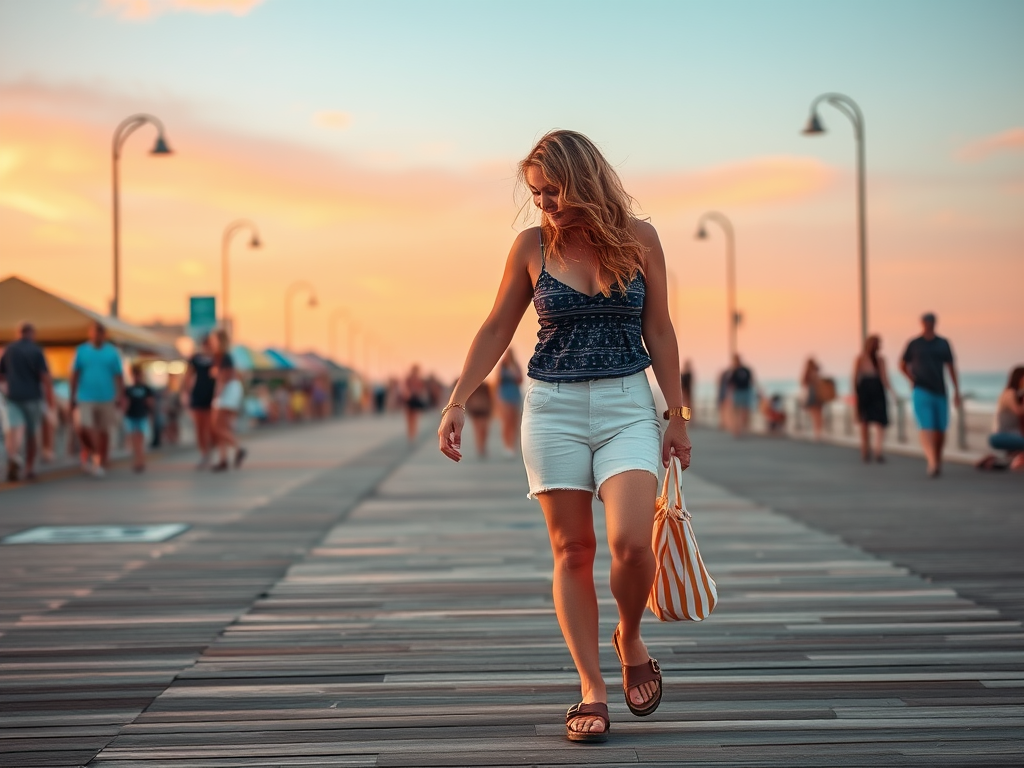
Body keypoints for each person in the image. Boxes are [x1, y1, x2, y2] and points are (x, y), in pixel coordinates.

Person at [437, 130, 690, 743]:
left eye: (551, 191)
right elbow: (498, 325)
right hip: (552, 409)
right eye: (536, 194)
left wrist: (677, 414)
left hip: (629, 402)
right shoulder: (531, 247)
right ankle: (592, 688)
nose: (543, 205)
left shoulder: (641, 239)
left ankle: (629, 635)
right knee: (573, 550)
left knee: (632, 544)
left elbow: (659, 329)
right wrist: (458, 399)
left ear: (583, 181)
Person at [899, 312, 961, 477]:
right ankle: (932, 462)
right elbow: (902, 364)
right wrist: (911, 379)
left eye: (932, 322)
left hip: (940, 390)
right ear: (922, 323)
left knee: (940, 429)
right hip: (921, 389)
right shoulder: (914, 344)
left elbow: (951, 367)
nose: (929, 325)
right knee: (926, 426)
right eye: (927, 322)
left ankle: (937, 458)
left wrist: (957, 391)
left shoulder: (943, 343)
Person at [0, 322, 55, 481]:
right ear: (32, 333)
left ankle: (13, 457)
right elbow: (45, 377)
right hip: (32, 397)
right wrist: (50, 399)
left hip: (13, 397)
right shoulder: (36, 350)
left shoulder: (9, 349)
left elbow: (1, 374)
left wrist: (9, 385)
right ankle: (29, 467)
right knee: (32, 433)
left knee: (14, 430)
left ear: (18, 333)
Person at [70, 322, 123, 477]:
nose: (97, 335)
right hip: (85, 396)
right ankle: (93, 453)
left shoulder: (112, 352)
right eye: (95, 332)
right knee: (84, 427)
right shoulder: (81, 351)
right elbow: (75, 374)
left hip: (107, 396)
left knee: (103, 431)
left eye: (100, 333)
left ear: (104, 335)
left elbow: (119, 375)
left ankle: (102, 459)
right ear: (90, 333)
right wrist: (72, 396)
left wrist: (121, 395)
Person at [209, 329, 246, 472]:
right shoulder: (223, 356)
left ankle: (238, 447)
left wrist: (217, 394)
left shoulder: (223, 356)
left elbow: (224, 377)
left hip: (227, 391)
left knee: (217, 426)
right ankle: (223, 459)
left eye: (214, 340)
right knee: (222, 426)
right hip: (229, 390)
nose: (212, 342)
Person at [852, 335, 893, 463]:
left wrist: (892, 392)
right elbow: (855, 377)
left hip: (873, 390)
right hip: (867, 391)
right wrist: (856, 393)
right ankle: (869, 450)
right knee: (867, 422)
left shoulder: (879, 360)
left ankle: (875, 450)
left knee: (876, 422)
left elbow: (884, 378)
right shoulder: (861, 359)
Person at [182, 335, 216, 469]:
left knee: (211, 427)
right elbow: (188, 375)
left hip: (212, 395)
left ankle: (210, 451)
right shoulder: (195, 359)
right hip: (198, 394)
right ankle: (204, 453)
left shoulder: (215, 358)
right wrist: (186, 391)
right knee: (200, 427)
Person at [984, 366, 1024, 471]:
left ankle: (998, 461)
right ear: (1019, 378)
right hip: (1002, 436)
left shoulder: (1017, 394)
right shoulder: (1009, 393)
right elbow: (1019, 411)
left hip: (1012, 435)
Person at [123, 363, 155, 472]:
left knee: (140, 440)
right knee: (133, 440)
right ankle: (137, 461)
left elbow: (150, 403)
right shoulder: (128, 389)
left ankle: (140, 461)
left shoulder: (146, 389)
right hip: (131, 416)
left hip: (142, 416)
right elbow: (125, 404)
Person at [497, 348, 523, 456]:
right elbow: (497, 381)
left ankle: (513, 445)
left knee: (515, 422)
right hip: (505, 396)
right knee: (507, 421)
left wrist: (514, 373)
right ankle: (507, 445)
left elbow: (520, 380)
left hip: (515, 395)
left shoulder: (516, 366)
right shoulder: (502, 366)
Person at [464, 379, 494, 458]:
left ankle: (482, 446)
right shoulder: (472, 387)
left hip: (484, 408)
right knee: (477, 429)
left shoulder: (485, 386)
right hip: (475, 409)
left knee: (484, 429)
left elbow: (490, 397)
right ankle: (480, 447)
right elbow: (468, 399)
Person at [727, 353, 754, 437]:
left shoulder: (746, 369)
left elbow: (751, 380)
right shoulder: (733, 371)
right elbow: (730, 383)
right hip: (737, 392)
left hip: (745, 391)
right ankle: (737, 429)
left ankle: (743, 427)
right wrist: (730, 395)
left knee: (745, 411)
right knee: (737, 411)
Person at [403, 364, 428, 443]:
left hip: (415, 399)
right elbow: (405, 388)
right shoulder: (410, 379)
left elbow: (421, 389)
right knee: (410, 418)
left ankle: (413, 435)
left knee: (414, 418)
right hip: (410, 399)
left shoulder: (417, 379)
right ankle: (411, 435)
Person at [801, 357, 824, 440]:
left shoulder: (808, 373)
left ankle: (817, 433)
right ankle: (818, 432)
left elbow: (803, 383)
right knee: (818, 415)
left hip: (812, 395)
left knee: (815, 415)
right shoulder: (815, 372)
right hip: (817, 396)